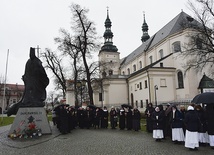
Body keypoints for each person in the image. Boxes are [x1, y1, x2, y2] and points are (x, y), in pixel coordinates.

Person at [7, 47, 49, 116]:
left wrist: (43, 79)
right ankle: (27, 103)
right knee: (27, 95)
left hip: (36, 81)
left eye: (32, 53)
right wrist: (25, 77)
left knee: (36, 93)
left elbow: (42, 71)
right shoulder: (28, 62)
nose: (31, 55)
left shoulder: (37, 61)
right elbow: (26, 71)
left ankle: (35, 102)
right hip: (29, 81)